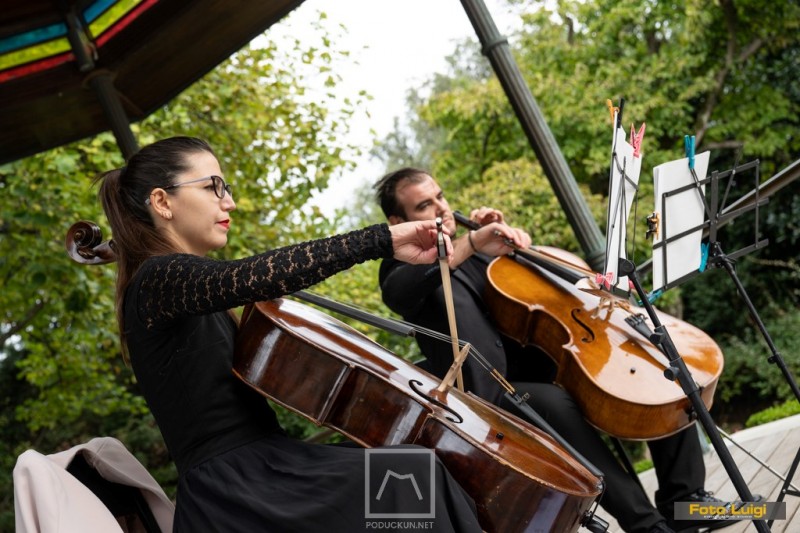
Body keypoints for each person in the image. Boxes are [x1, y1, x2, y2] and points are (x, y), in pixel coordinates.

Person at [95, 137, 482, 533]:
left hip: (264, 469)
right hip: (240, 489)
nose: (228, 202)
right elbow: (254, 276)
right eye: (214, 187)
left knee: (417, 464)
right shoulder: (158, 279)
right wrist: (381, 240)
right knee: (415, 480)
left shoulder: (181, 285)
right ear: (162, 202)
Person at [375, 167, 746, 533]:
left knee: (660, 369)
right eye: (425, 205)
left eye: (440, 196)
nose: (441, 208)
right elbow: (402, 290)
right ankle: (647, 526)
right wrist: (469, 243)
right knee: (554, 405)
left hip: (555, 361)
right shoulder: (398, 268)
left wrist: (513, 247)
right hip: (493, 395)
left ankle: (687, 501)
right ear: (398, 220)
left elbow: (545, 295)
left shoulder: (479, 249)